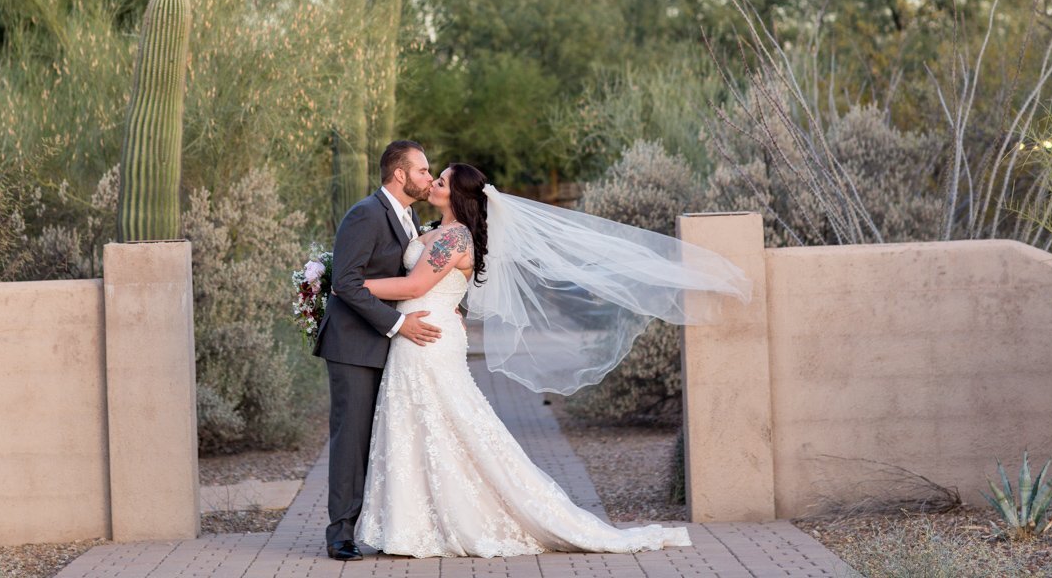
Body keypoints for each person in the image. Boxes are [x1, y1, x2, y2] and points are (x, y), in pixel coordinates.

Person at [352, 162, 751, 559]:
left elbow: (415, 284)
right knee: (427, 424)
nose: (434, 184)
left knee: (444, 423)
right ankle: (413, 524)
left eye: (441, 181)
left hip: (427, 338)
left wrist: (348, 283)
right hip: (423, 331)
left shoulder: (454, 238)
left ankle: (441, 521)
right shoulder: (437, 232)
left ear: (456, 196)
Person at [313, 140, 444, 562]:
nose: (429, 177)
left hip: (388, 346)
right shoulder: (365, 214)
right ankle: (340, 534)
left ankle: (381, 523)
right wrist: (400, 324)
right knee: (351, 438)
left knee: (382, 437)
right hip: (354, 344)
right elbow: (346, 283)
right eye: (423, 171)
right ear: (400, 174)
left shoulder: (409, 217)